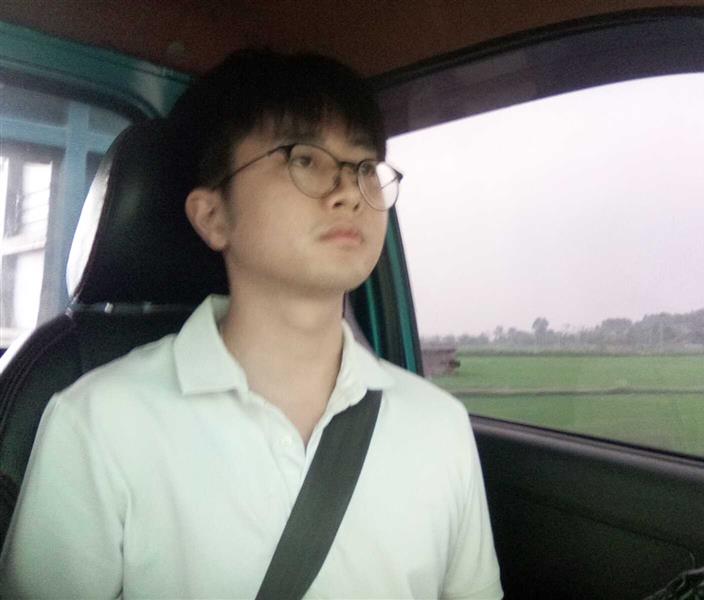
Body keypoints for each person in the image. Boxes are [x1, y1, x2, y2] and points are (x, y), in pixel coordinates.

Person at [0, 48, 503, 599]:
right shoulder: (99, 422)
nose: (348, 192)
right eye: (304, 159)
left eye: (364, 167)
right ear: (213, 216)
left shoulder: (440, 427)